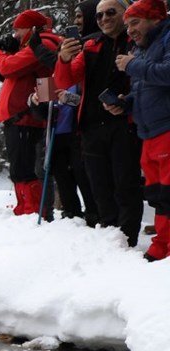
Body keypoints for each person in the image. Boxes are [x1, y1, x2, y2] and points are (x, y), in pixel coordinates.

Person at [57, 0, 147, 245]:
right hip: (91, 125)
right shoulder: (90, 44)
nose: (104, 18)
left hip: (126, 124)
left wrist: (127, 101)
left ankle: (126, 240)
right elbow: (66, 78)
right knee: (99, 187)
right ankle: (109, 237)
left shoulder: (138, 41)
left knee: (125, 184)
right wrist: (64, 59)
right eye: (98, 16)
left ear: (125, 13)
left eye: (110, 12)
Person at [0, 10, 62, 215]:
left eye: (18, 29)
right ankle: (26, 208)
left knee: (25, 168)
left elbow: (7, 67)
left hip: (26, 118)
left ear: (31, 28)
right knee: (20, 167)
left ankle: (33, 210)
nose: (14, 34)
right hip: (22, 117)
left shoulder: (42, 44)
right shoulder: (34, 45)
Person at [118, 0, 170, 260]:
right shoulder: (142, 50)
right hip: (149, 132)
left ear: (156, 18)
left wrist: (132, 66)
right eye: (127, 26)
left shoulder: (166, 39)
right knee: (158, 195)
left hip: (167, 129)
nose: (130, 31)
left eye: (135, 22)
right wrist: (124, 104)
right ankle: (162, 245)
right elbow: (145, 90)